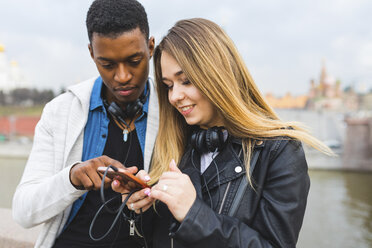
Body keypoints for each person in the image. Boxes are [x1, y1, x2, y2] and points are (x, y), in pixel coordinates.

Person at [112, 18, 333, 247]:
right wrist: (139, 207)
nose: (174, 96)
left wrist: (193, 213)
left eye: (186, 81)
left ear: (217, 76)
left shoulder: (280, 151)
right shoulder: (175, 144)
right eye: (169, 85)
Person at [12, 0, 158, 247]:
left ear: (151, 47)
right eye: (108, 64)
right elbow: (24, 212)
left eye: (134, 61)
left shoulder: (175, 109)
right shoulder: (60, 112)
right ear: (92, 53)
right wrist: (72, 178)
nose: (122, 76)